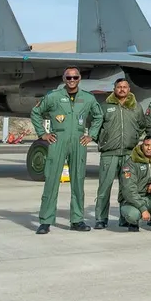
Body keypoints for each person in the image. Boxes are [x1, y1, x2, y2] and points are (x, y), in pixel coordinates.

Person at [32, 67, 104, 235]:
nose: (72, 80)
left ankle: (77, 219)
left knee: (78, 181)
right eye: (69, 77)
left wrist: (91, 135)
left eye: (75, 77)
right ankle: (45, 221)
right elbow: (36, 112)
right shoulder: (53, 97)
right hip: (58, 140)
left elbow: (98, 116)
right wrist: (43, 134)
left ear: (79, 79)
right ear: (64, 79)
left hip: (79, 141)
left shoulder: (87, 98)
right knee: (51, 181)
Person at [94, 77, 145, 229]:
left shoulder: (136, 107)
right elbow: (95, 125)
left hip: (129, 154)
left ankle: (125, 218)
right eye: (119, 87)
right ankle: (101, 218)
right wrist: (103, 141)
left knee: (127, 188)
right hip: (109, 154)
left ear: (129, 89)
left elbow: (142, 125)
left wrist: (135, 138)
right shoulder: (105, 106)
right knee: (104, 187)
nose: (122, 89)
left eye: (125, 87)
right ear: (114, 89)